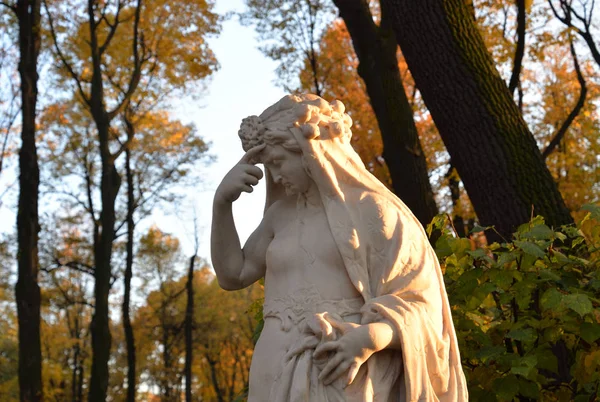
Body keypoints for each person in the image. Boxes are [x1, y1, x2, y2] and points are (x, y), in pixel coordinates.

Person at [211, 94, 467, 401]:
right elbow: (232, 275)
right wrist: (222, 205)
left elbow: (423, 305)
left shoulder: (374, 211)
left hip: (340, 371)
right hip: (271, 372)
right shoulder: (280, 217)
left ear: (311, 151)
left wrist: (372, 336)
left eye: (278, 162)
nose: (275, 176)